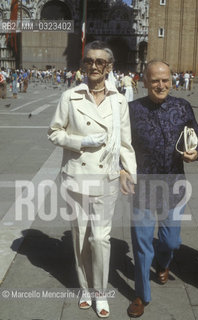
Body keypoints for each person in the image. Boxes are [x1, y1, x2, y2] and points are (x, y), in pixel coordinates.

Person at [47, 40, 136, 318]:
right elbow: (54, 132)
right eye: (89, 61)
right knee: (80, 237)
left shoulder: (119, 100)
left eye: (100, 62)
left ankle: (100, 292)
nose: (94, 66)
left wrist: (129, 173)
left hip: (106, 178)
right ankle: (85, 288)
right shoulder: (70, 97)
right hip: (76, 176)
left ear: (109, 67)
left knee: (100, 239)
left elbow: (125, 143)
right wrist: (82, 141)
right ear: (83, 65)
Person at [121, 59, 198, 318]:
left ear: (172, 80)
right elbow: (119, 144)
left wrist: (197, 152)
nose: (161, 85)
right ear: (144, 81)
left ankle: (164, 262)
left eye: (165, 79)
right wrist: (122, 169)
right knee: (142, 244)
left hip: (174, 187)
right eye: (155, 80)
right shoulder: (131, 109)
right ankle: (141, 295)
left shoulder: (182, 107)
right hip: (143, 187)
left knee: (171, 241)